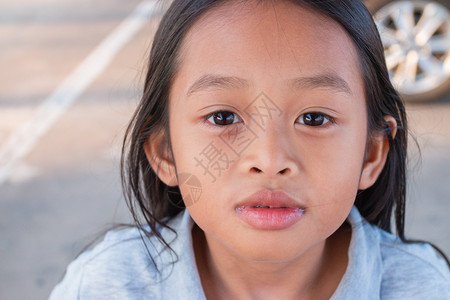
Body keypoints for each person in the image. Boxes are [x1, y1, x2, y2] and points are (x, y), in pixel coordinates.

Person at [49, 0, 450, 299]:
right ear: (165, 153)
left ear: (371, 154)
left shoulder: (422, 289)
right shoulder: (104, 285)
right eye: (223, 117)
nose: (270, 161)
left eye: (314, 119)